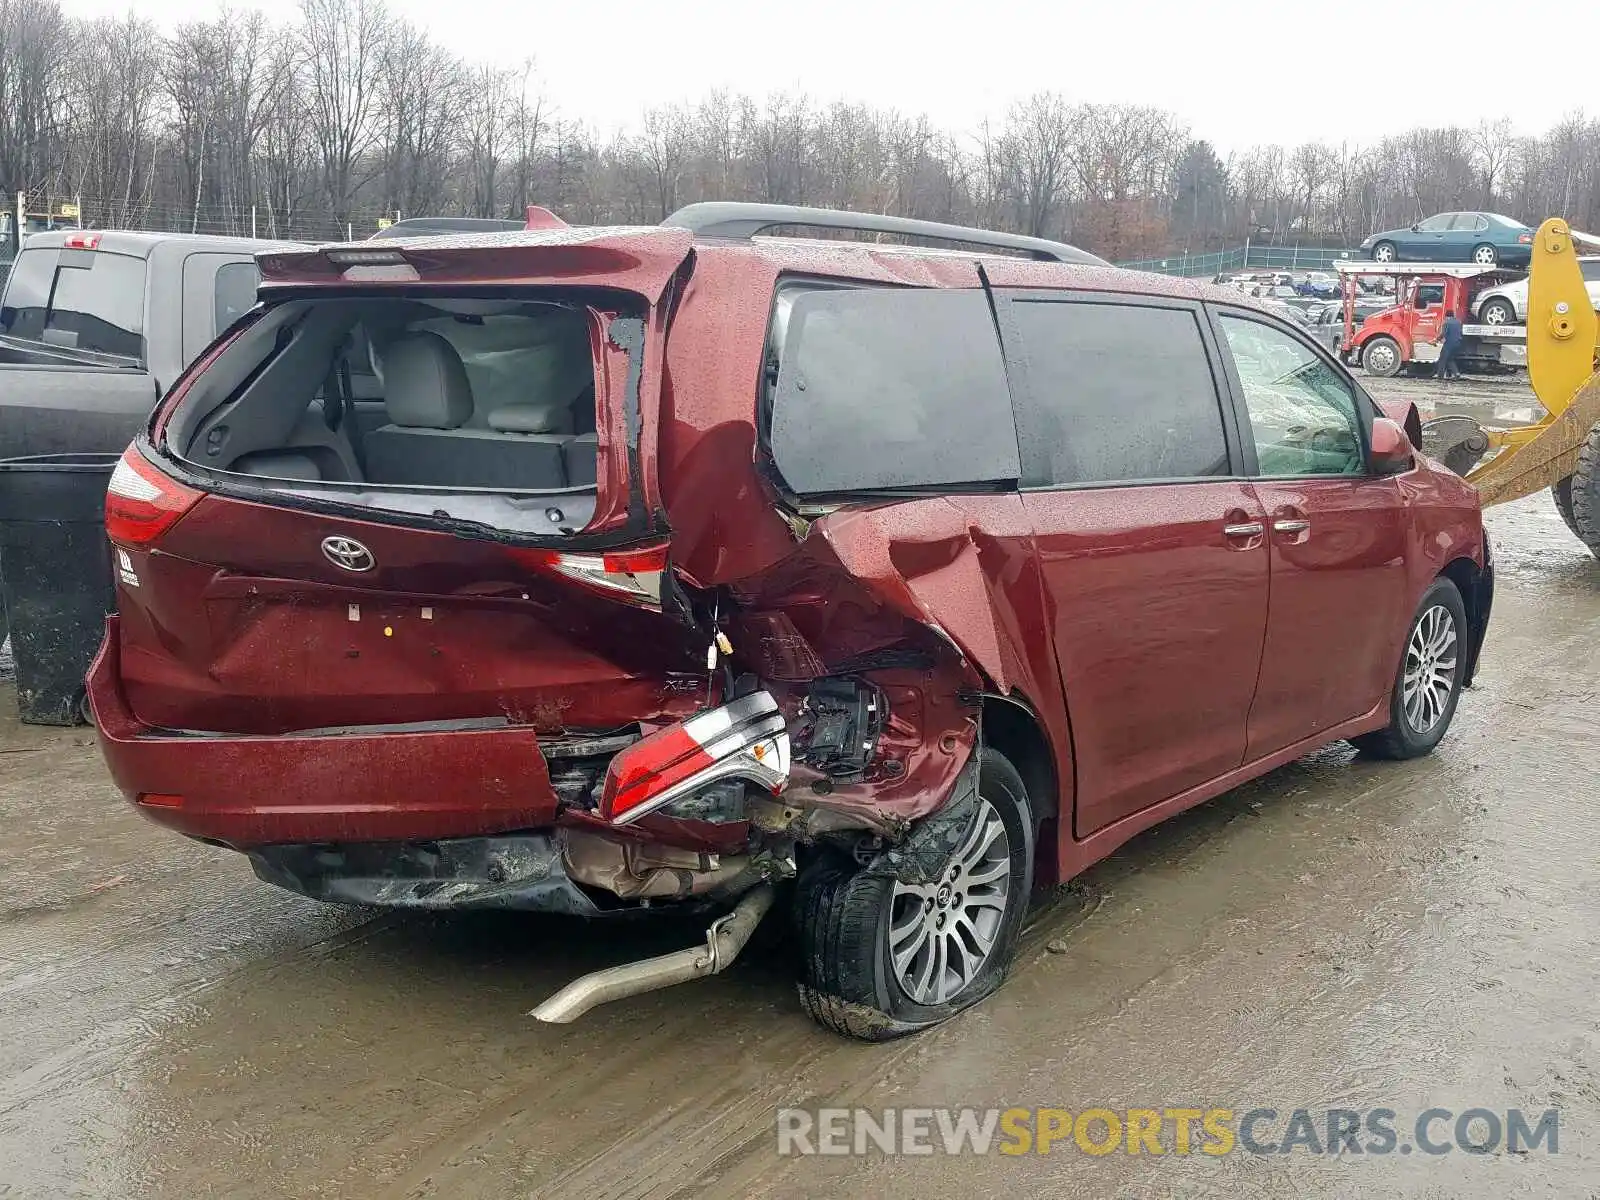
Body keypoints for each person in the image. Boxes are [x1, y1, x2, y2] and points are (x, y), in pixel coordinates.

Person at [1435, 310, 1464, 380]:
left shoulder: (1446, 323)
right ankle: (1457, 374)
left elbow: (1443, 334)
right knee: (1450, 359)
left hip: (1449, 344)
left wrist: (1436, 340)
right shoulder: (1458, 322)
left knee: (1442, 359)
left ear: (1446, 316)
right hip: (1458, 344)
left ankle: (1440, 376)